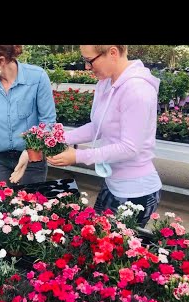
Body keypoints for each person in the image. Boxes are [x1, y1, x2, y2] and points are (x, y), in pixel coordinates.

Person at [47, 45, 162, 227]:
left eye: (89, 61)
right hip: (112, 182)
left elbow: (129, 147)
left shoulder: (137, 90)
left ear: (113, 53)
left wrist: (78, 156)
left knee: (113, 249)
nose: (87, 67)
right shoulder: (106, 83)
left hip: (135, 191)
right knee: (95, 237)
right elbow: (97, 127)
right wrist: (60, 138)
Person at [0, 45, 57, 195]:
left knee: (31, 209)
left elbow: (48, 121)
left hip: (32, 158)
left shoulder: (37, 78)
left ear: (1, 60)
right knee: (0, 209)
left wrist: (31, 149)